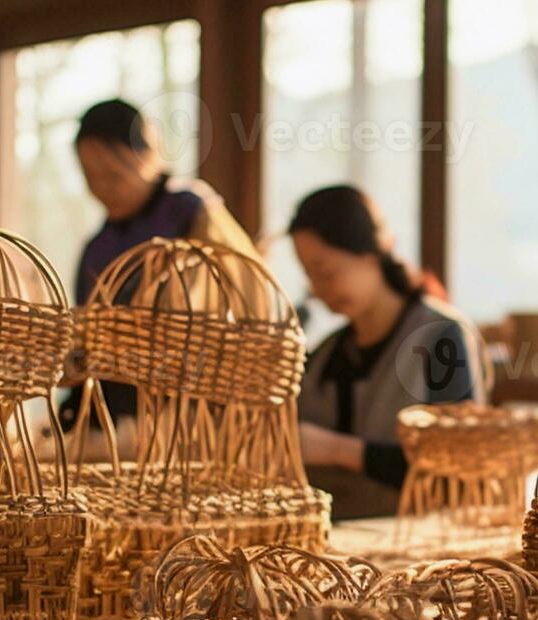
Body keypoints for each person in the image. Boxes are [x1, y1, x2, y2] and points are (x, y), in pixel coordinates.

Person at [58, 99, 256, 433]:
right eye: (90, 176)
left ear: (147, 155)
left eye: (113, 174)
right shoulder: (97, 246)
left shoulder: (192, 211)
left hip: (188, 409)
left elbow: (248, 295)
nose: (101, 188)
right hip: (114, 413)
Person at [289, 185, 486, 519]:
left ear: (371, 253)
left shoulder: (440, 337)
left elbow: (457, 470)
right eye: (310, 276)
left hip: (417, 544)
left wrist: (338, 451)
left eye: (326, 272)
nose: (318, 290)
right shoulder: (326, 354)